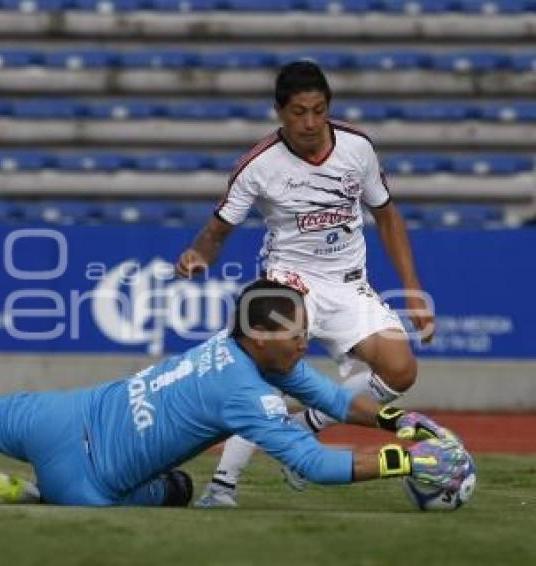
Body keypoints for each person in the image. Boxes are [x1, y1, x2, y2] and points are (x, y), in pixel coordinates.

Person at [0, 280, 467, 508]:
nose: (308, 340)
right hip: (88, 481)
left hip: (57, 414)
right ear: (264, 338)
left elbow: (341, 405)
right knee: (177, 490)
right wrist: (415, 464)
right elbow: (326, 464)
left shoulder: (239, 350)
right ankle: (34, 498)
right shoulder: (249, 394)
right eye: (298, 332)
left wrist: (406, 422)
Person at [175, 61, 435, 507]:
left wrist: (412, 288)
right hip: (287, 282)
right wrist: (200, 255)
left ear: (329, 107)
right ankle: (221, 488)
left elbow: (387, 215)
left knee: (400, 370)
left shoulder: (358, 148)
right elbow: (218, 229)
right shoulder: (258, 166)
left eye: (319, 110)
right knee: (265, 377)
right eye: (299, 112)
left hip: (347, 282)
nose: (311, 122)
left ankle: (304, 428)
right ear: (279, 112)